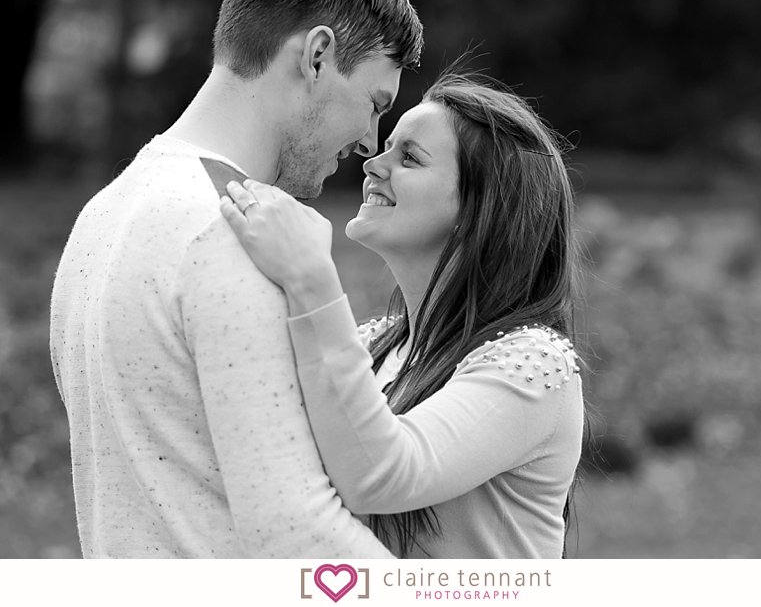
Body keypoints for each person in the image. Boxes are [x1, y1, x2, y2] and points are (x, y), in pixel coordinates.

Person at [49, 0, 423, 558]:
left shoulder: (101, 216)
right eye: (374, 103)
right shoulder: (234, 233)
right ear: (318, 56)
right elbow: (295, 531)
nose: (371, 143)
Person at [220, 73, 587, 558]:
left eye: (409, 158)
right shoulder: (373, 346)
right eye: (387, 147)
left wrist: (312, 279)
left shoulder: (537, 364)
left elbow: (384, 473)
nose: (373, 164)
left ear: (480, 209)